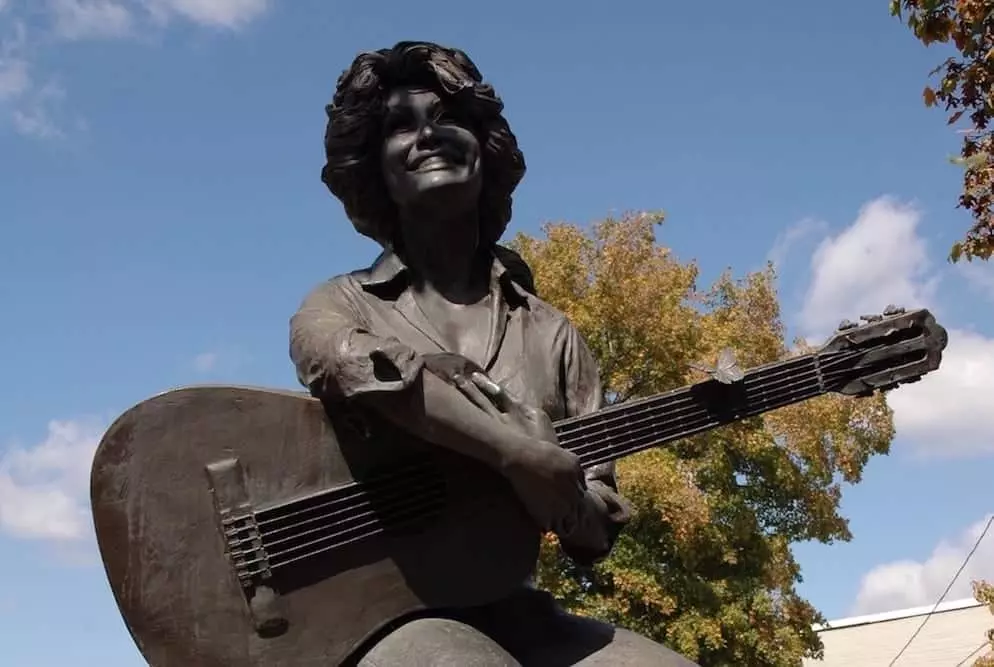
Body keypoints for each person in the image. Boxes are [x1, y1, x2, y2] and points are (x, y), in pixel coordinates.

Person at [290, 40, 699, 667]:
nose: (427, 134)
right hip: (383, 616)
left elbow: (595, 530)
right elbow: (345, 361)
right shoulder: (342, 304)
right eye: (400, 125)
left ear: (485, 148)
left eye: (447, 116)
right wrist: (510, 449)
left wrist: (556, 496)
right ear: (375, 172)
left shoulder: (551, 333)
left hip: (519, 611)